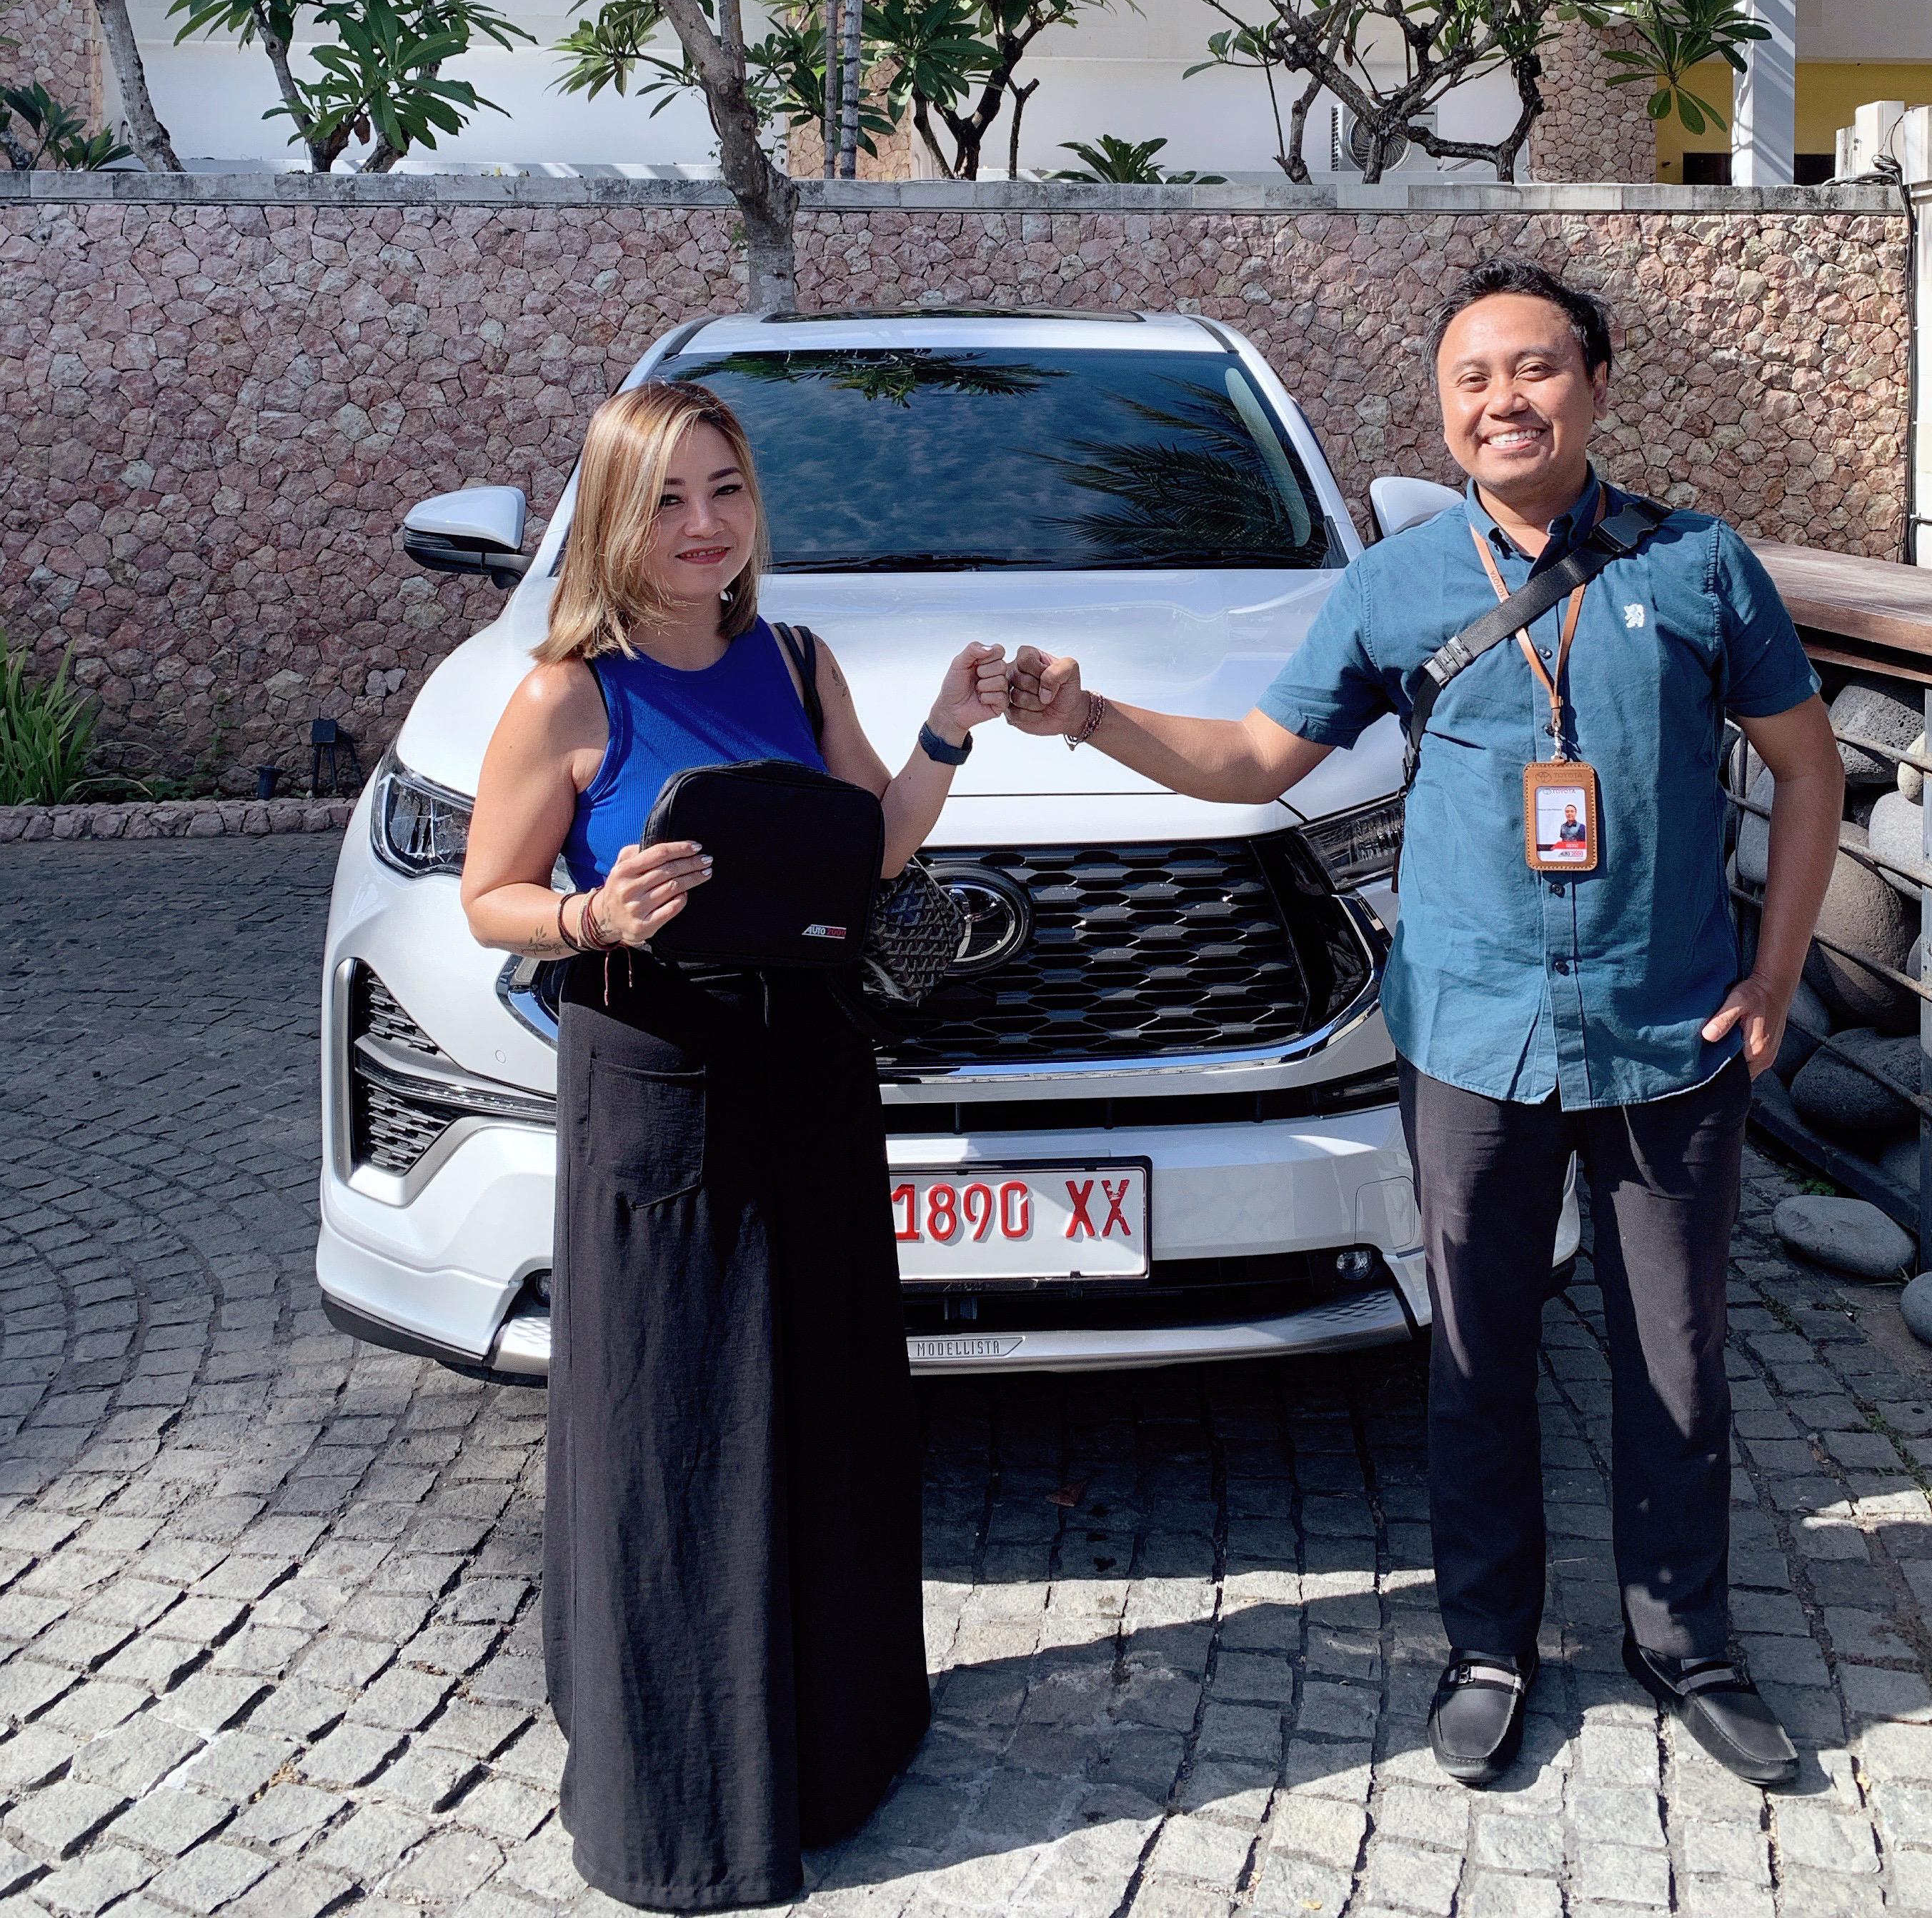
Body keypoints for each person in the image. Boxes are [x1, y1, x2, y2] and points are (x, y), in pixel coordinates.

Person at [1009, 259, 1845, 1789]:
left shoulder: (1700, 564)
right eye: (1472, 378)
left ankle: (1688, 1645)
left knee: (1676, 1359)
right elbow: (1253, 761)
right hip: (1472, 1036)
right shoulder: (1392, 586)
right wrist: (1092, 718)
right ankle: (1488, 1644)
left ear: (1595, 385)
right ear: (1444, 410)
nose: (1503, 400)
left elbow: (1808, 767)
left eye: (1535, 368)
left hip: (1668, 1034)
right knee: (1477, 1355)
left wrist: (1776, 974)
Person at [461, 379, 1010, 1909]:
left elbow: (874, 846)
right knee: (674, 1423)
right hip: (659, 1078)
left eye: (726, 491)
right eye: (666, 499)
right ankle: (683, 1790)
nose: (703, 526)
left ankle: (840, 1748)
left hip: (814, 1074)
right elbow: (489, 898)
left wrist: (945, 732)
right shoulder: (567, 694)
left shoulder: (798, 660)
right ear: (613, 517)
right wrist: (590, 913)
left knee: (826, 1405)